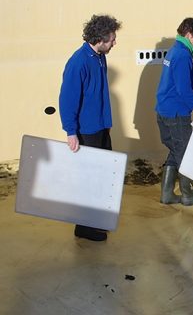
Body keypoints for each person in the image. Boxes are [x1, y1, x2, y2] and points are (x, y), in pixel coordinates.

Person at [59, 14, 122, 241]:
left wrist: (106, 124)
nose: (115, 42)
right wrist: (71, 132)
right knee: (89, 178)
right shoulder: (79, 62)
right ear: (101, 37)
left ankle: (94, 221)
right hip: (86, 130)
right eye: (112, 38)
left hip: (101, 126)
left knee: (102, 176)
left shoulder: (99, 57)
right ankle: (83, 227)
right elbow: (67, 99)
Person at [155, 17, 193, 206]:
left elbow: (182, 85)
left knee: (175, 150)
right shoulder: (183, 55)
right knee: (186, 153)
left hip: (165, 110)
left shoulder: (175, 50)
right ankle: (188, 195)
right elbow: (183, 90)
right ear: (189, 34)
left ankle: (167, 194)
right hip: (176, 114)